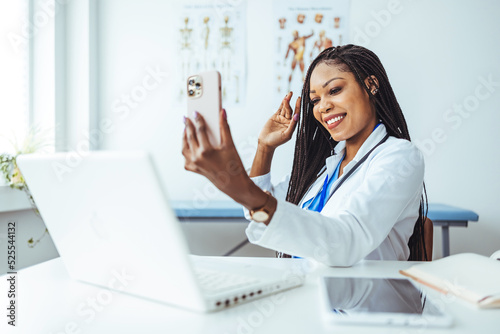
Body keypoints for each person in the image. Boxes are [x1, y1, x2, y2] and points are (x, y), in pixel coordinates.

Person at [182, 44, 427, 266]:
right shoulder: (323, 170)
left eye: (335, 90)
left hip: (360, 311)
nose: (322, 107)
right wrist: (264, 148)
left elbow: (345, 242)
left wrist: (241, 187)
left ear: (371, 85)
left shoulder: (400, 157)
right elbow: (258, 212)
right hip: (308, 296)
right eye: (315, 100)